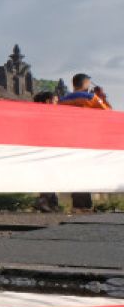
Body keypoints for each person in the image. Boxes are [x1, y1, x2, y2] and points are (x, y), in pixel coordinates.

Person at [59, 74, 111, 210]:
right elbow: (108, 113)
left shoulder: (62, 99)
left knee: (75, 171)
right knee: (84, 171)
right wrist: (102, 96)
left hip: (68, 140)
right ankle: (83, 205)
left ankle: (78, 203)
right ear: (86, 83)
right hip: (86, 139)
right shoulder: (90, 98)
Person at [31, 92, 62, 212]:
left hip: (46, 150)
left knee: (50, 175)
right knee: (49, 175)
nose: (57, 103)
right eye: (55, 101)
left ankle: (49, 202)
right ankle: (45, 201)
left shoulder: (39, 114)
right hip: (44, 150)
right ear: (48, 101)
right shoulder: (44, 114)